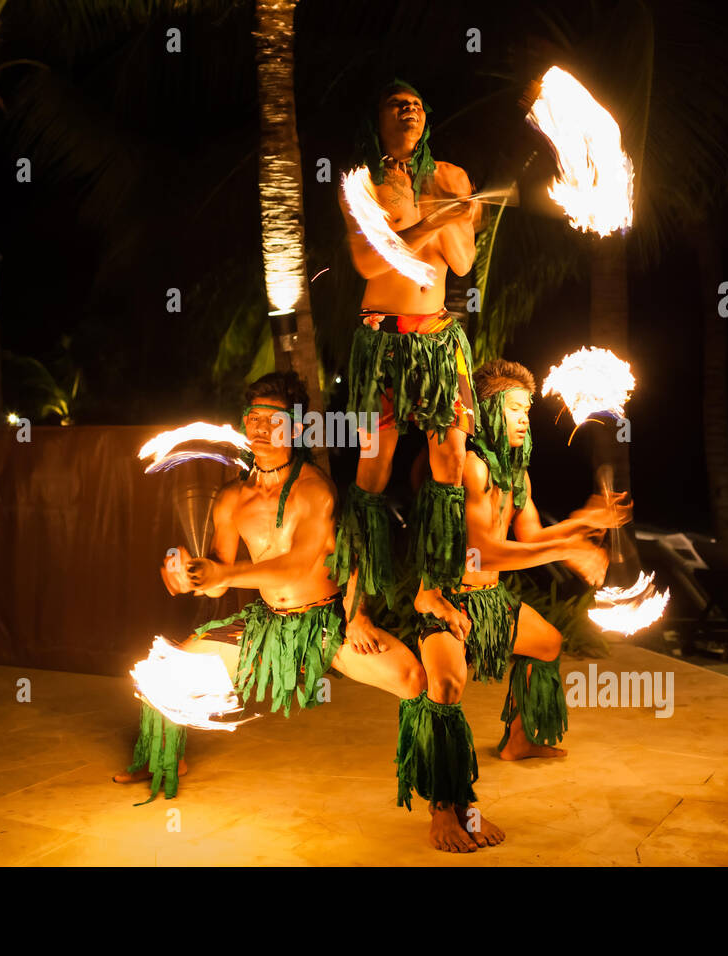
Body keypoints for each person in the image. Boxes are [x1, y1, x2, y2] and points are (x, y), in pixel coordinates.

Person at [115, 371, 427, 801]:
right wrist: (191, 575)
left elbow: (297, 566)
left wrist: (358, 615)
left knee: (413, 679)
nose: (261, 428)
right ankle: (165, 759)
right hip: (269, 624)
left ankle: (439, 794)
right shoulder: (231, 498)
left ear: (296, 428)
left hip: (328, 622)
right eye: (254, 418)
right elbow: (219, 581)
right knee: (164, 672)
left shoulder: (314, 489)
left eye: (273, 419)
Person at [397, 359, 632, 851]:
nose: (525, 418)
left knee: (546, 642)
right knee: (444, 686)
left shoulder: (515, 473)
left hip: (491, 601)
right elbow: (484, 552)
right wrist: (567, 548)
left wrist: (578, 523)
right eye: (514, 409)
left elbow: (530, 537)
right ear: (484, 413)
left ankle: (518, 740)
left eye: (527, 409)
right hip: (448, 601)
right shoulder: (474, 468)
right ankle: (445, 810)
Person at [329, 78, 483, 646]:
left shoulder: (452, 177)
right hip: (382, 342)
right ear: (378, 119)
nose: (411, 110)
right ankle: (358, 605)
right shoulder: (361, 184)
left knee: (449, 465)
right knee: (373, 473)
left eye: (418, 103)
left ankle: (433, 585)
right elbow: (371, 263)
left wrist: (439, 218)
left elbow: (463, 264)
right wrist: (436, 222)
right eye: (398, 104)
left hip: (439, 340)